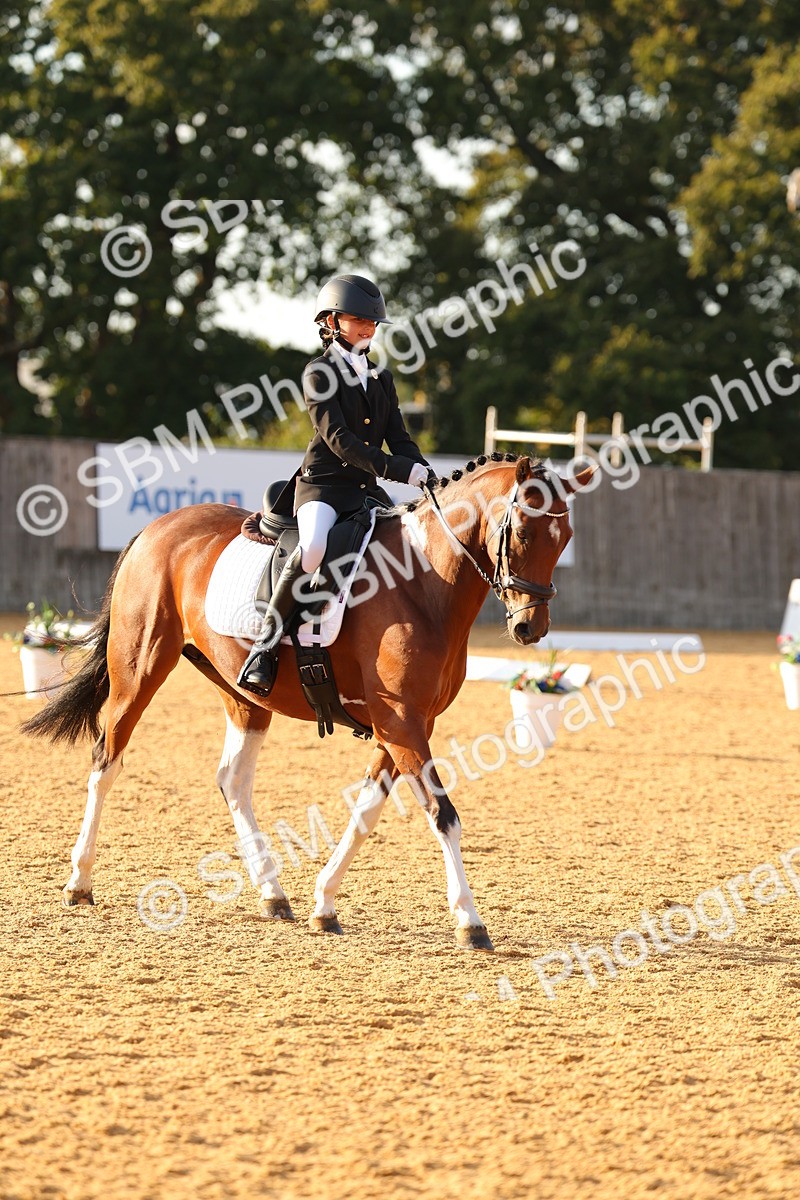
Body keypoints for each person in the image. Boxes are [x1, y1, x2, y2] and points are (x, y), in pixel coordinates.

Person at [237, 273, 432, 696]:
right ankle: (264, 647)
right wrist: (400, 471)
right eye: (359, 319)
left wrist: (426, 472)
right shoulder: (318, 373)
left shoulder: (380, 376)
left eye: (373, 321)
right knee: (312, 550)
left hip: (364, 492)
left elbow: (399, 438)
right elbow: (340, 440)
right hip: (322, 488)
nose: (368, 328)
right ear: (331, 320)